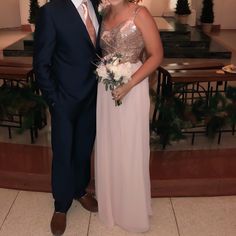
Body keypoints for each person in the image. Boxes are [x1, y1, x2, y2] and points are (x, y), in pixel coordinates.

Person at [33, 0, 101, 235]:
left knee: (84, 148)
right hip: (64, 99)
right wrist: (54, 99)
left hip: (93, 96)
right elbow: (41, 63)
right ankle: (61, 206)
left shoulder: (97, 5)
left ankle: (80, 190)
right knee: (63, 151)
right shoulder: (51, 12)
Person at [95, 0, 163, 233]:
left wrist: (130, 84)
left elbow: (156, 55)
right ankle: (112, 204)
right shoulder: (104, 12)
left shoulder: (140, 13)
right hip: (106, 87)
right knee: (110, 144)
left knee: (129, 145)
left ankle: (131, 209)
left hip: (133, 85)